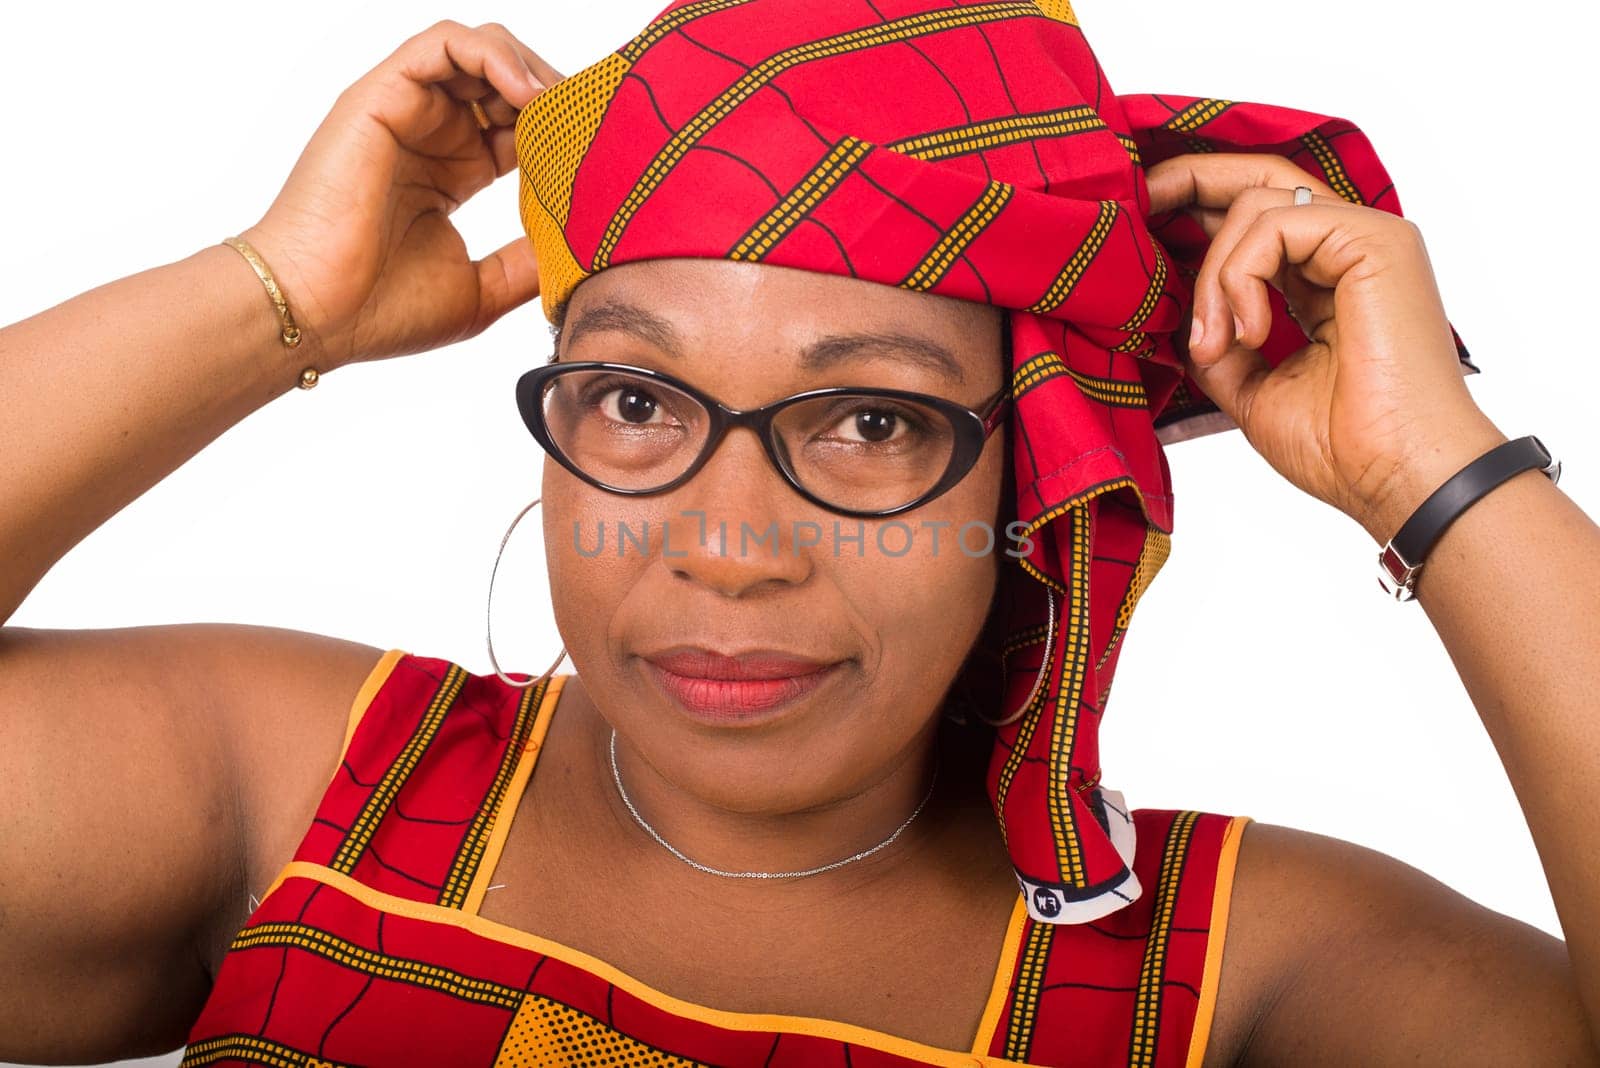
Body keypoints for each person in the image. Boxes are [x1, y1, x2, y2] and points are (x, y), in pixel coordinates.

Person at [1, 6, 1596, 1068]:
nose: (730, 545)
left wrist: (1434, 471)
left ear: (1023, 480)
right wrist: (282, 299)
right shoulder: (306, 794)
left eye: (874, 422)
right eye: (634, 397)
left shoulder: (1239, 979)